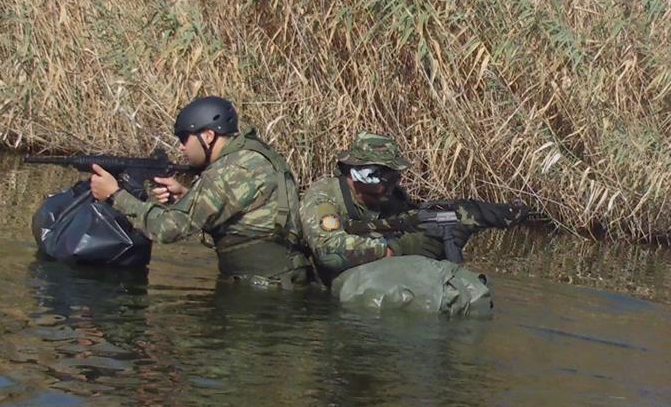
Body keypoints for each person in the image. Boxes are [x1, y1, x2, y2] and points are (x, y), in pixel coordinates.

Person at [86, 96, 313, 287]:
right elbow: (244, 215)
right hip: (281, 279)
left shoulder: (228, 171)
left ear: (207, 136)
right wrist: (187, 195)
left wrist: (115, 195)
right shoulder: (254, 156)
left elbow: (167, 229)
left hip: (260, 289)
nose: (182, 147)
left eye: (185, 137)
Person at [297, 132, 529, 285]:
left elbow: (411, 221)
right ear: (363, 176)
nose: (393, 186)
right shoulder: (324, 198)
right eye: (387, 179)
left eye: (395, 178)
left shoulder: (391, 198)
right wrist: (395, 249)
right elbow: (328, 251)